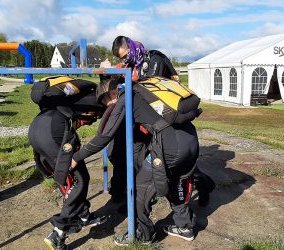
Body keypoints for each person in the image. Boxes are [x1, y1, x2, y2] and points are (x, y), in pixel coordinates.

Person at [70, 77, 199, 245]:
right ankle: (185, 226)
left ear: (112, 93)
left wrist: (76, 157)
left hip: (169, 147)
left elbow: (104, 137)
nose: (108, 106)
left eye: (106, 101)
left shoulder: (126, 97)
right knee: (173, 181)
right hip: (190, 140)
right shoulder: (145, 91)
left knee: (139, 189)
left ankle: (143, 235)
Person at [104, 35, 215, 207]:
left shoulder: (154, 59)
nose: (125, 60)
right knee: (140, 156)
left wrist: (123, 81)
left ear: (132, 48)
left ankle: (204, 184)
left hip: (171, 120)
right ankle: (136, 194)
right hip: (152, 120)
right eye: (122, 58)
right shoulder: (133, 65)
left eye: (126, 55)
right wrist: (109, 71)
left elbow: (147, 87)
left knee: (182, 166)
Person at [28, 79, 108, 250]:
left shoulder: (69, 98)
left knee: (69, 178)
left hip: (38, 126)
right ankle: (59, 231)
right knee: (79, 179)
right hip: (53, 132)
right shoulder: (99, 100)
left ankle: (84, 216)